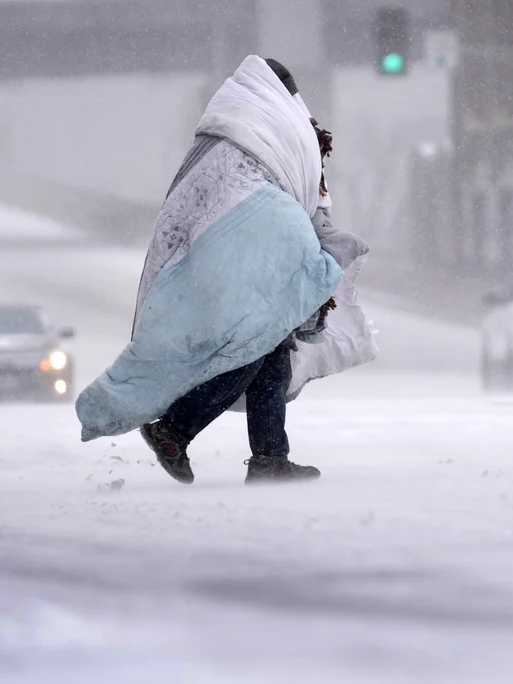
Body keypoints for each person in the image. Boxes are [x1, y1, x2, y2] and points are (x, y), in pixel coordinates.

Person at [75, 56, 370, 484]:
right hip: (242, 259)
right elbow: (288, 196)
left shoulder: (226, 134)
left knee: (269, 350)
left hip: (221, 258)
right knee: (251, 346)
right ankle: (174, 430)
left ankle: (270, 456)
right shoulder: (274, 131)